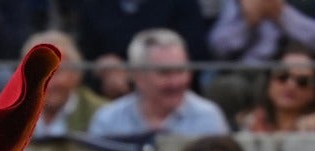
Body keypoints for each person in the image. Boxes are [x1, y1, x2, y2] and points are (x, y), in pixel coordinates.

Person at [86, 28, 230, 138]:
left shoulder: (208, 117)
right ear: (138, 76)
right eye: (165, 73)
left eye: (180, 71)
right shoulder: (109, 120)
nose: (176, 82)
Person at [75, 0, 214, 98]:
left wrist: (130, 75)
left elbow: (197, 56)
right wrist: (101, 69)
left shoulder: (181, 4)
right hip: (106, 95)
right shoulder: (93, 5)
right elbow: (83, 60)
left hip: (174, 96)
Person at [237, 42, 315, 132]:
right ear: (268, 82)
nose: (291, 85)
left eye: (303, 81)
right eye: (282, 77)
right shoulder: (250, 124)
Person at [21, 31, 107, 135]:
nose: (50, 84)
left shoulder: (102, 114)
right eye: (40, 75)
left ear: (76, 74)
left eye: (57, 73)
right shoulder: (10, 114)